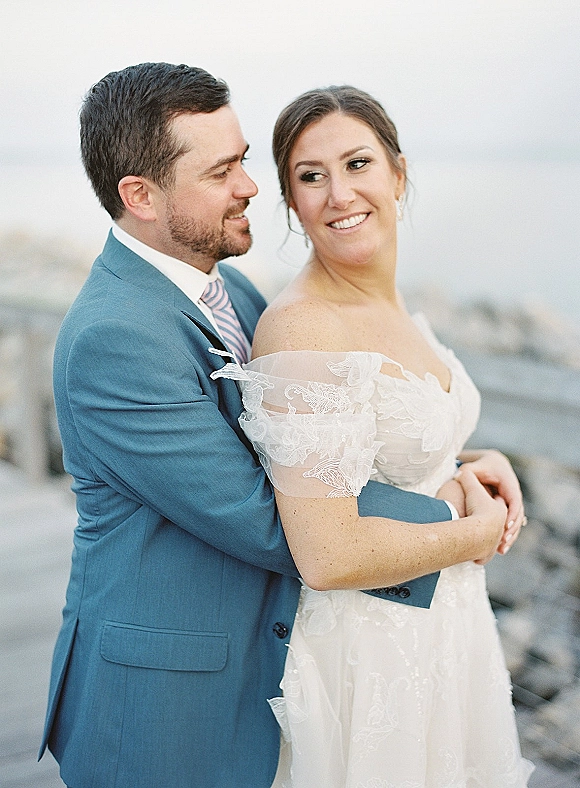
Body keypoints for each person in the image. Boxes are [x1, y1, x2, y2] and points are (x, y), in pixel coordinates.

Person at [39, 63, 521, 788]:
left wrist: (463, 455)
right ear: (140, 196)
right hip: (166, 703)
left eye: (244, 160)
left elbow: (307, 441)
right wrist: (459, 512)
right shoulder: (116, 338)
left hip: (268, 661)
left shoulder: (227, 285)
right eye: (222, 171)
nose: (251, 186)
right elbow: (275, 518)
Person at [218, 86, 534, 786]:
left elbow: (380, 458)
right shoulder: (306, 327)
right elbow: (326, 554)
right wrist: (479, 534)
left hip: (447, 635)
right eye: (311, 176)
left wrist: (475, 460)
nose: (339, 193)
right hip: (373, 655)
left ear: (397, 174)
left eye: (357, 163)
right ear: (292, 204)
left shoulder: (388, 304)